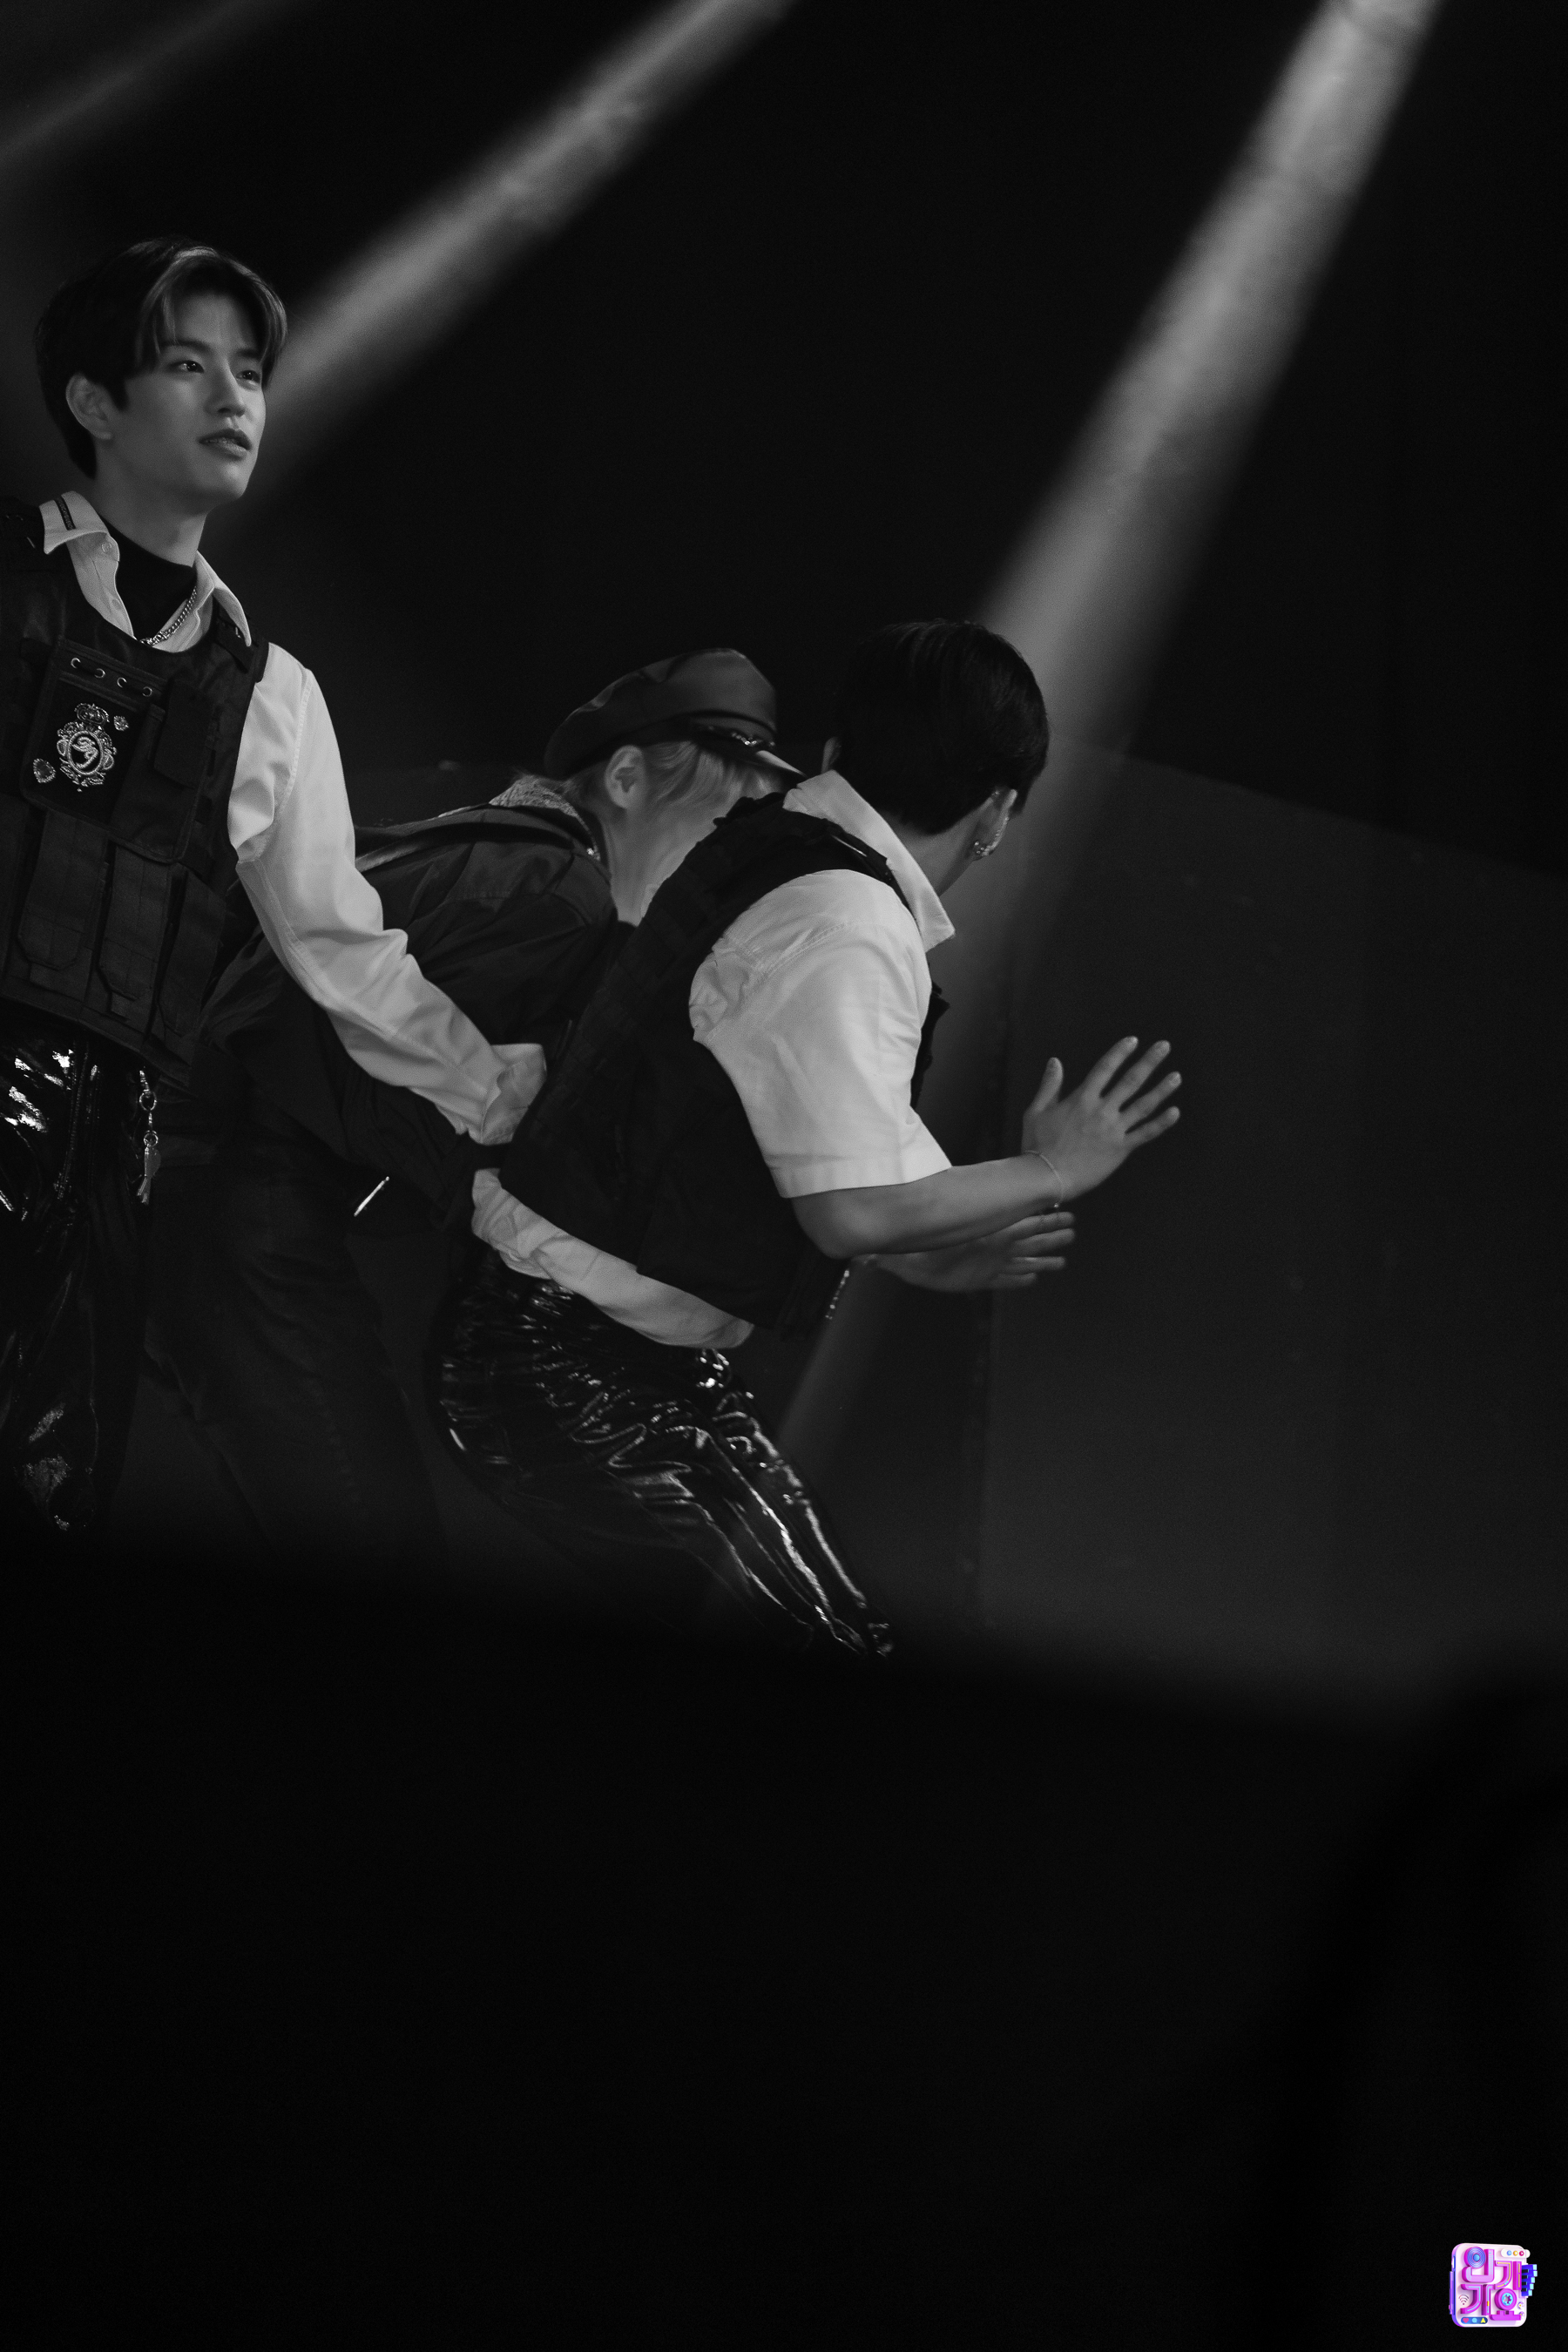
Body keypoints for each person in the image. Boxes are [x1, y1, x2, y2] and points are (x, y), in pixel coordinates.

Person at [430, 624, 1176, 1655]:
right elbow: (849, 1210)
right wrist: (1056, 1167)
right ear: (999, 812)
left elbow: (785, 1137)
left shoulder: (783, 855)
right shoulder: (848, 921)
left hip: (629, 1365)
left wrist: (925, 1252)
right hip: (565, 1366)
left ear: (834, 753)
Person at [0, 238, 535, 1549]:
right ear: (93, 400)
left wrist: (497, 1091)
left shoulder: (270, 691)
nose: (233, 397)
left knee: (56, 1477)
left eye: (249, 371)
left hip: (111, 1139)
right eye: (188, 365)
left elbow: (343, 948)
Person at [152, 654, 801, 1592]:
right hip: (246, 1206)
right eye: (721, 815)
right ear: (625, 778)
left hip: (212, 1190)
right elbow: (363, 1067)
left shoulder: (497, 846)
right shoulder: (561, 894)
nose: (725, 855)